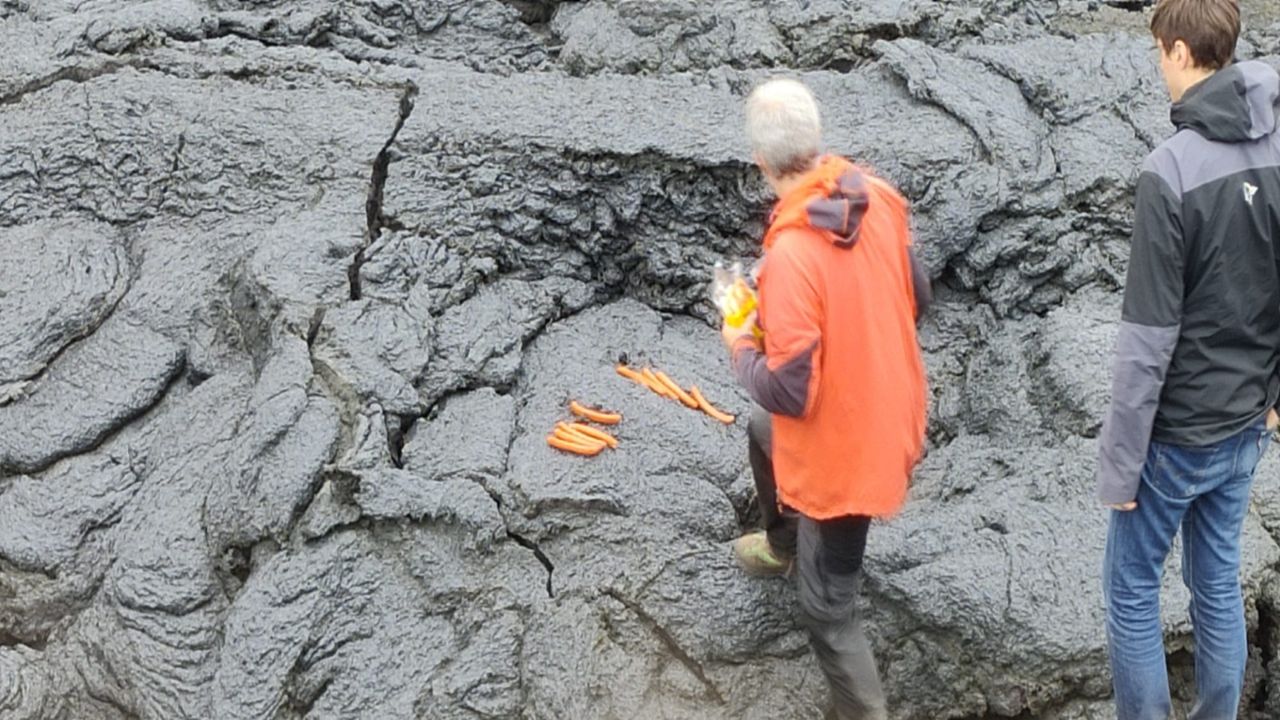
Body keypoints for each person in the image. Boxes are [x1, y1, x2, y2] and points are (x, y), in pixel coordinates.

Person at [722, 78, 931, 720]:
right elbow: (917, 296)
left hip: (851, 457)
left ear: (762, 165)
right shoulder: (877, 200)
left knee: (828, 611)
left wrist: (740, 340)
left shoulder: (790, 257)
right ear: (815, 144)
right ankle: (783, 543)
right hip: (891, 403)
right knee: (760, 431)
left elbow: (787, 389)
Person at [1095, 1, 1280, 717]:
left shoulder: (1169, 170)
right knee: (1218, 582)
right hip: (1245, 425)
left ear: (1176, 51)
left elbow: (1147, 339)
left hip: (1176, 435)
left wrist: (1120, 463)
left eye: (1156, 52)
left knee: (1133, 592)